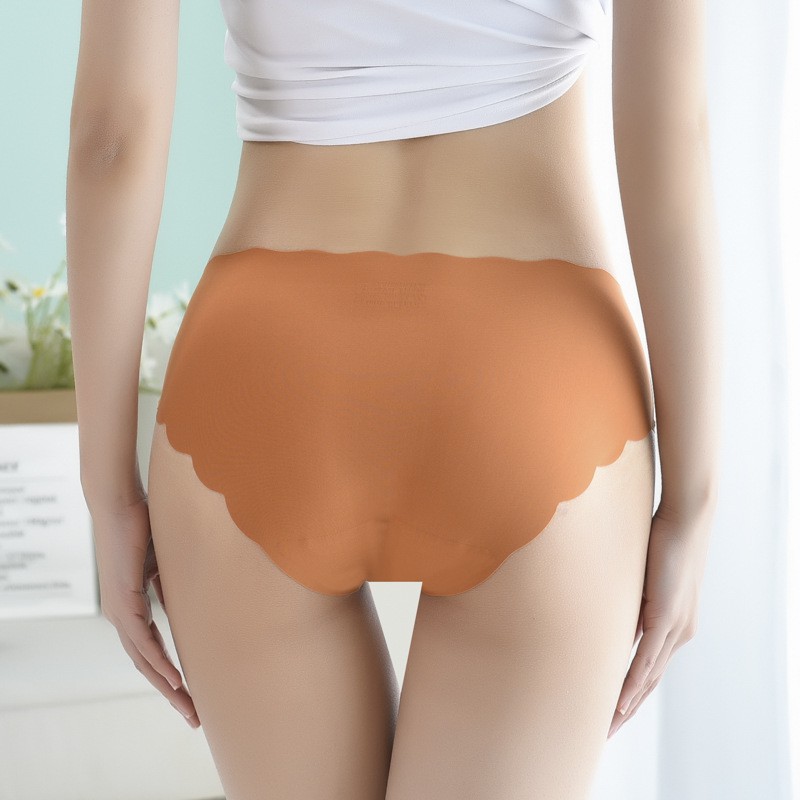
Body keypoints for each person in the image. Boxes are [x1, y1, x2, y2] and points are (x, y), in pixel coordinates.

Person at [66, 0, 721, 797]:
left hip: (262, 370)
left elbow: (112, 139)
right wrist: (690, 503)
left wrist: (108, 494)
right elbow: (670, 133)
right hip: (532, 377)